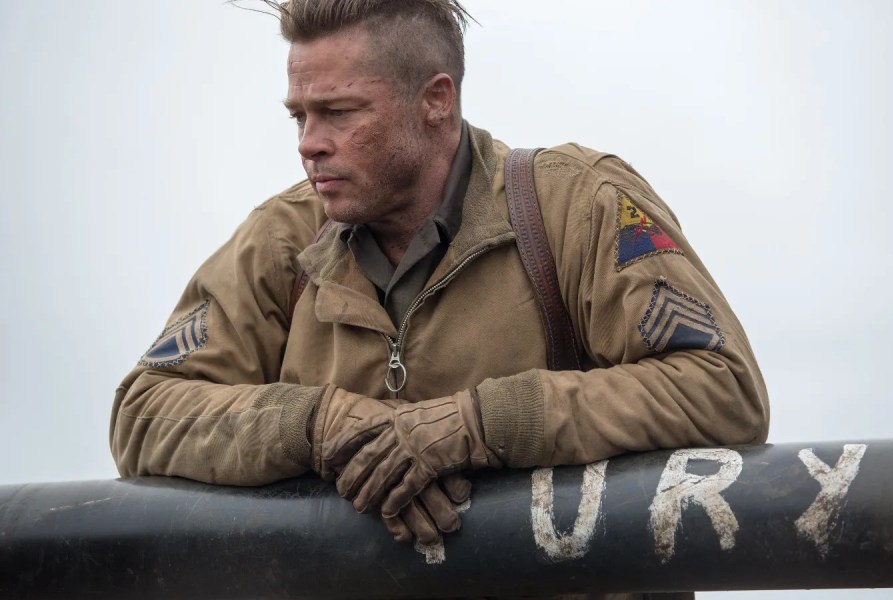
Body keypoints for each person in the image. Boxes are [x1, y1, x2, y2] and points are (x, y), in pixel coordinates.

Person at [110, 0, 768, 593]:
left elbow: (721, 386)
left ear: (436, 99)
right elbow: (144, 413)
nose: (309, 143)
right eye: (300, 115)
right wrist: (317, 426)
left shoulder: (577, 205)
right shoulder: (281, 241)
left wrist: (480, 426)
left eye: (339, 111)